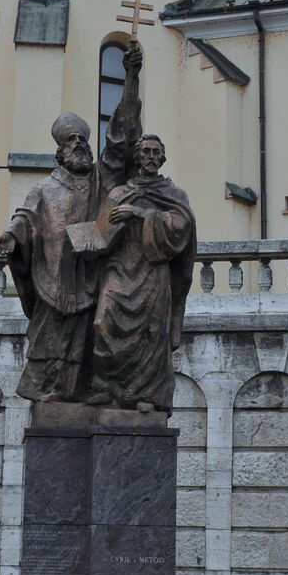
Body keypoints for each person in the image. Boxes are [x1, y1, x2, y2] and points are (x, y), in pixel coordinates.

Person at [0, 44, 142, 402]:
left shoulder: (100, 179)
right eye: (71, 142)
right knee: (50, 337)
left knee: (88, 339)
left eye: (82, 141)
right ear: (59, 152)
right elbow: (25, 218)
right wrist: (11, 238)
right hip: (53, 275)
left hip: (91, 274)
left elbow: (120, 139)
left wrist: (131, 79)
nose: (79, 146)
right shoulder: (44, 188)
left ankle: (76, 392)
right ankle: (49, 391)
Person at [87, 133, 196, 411]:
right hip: (120, 265)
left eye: (155, 152)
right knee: (102, 323)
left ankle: (146, 395)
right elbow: (100, 233)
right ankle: (105, 387)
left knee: (153, 332)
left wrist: (139, 213)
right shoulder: (119, 193)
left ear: (162, 158)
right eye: (145, 151)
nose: (150, 157)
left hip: (154, 268)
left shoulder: (173, 194)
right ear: (137, 158)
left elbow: (182, 226)